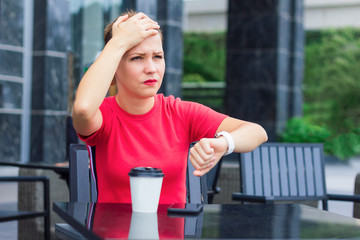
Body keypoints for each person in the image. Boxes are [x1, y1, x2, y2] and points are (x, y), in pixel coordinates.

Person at [72, 10, 268, 204]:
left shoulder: (179, 112)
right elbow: (83, 109)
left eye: (157, 56)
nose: (151, 68)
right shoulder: (104, 116)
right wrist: (118, 42)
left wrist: (225, 142)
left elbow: (257, 132)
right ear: (113, 69)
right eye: (137, 58)